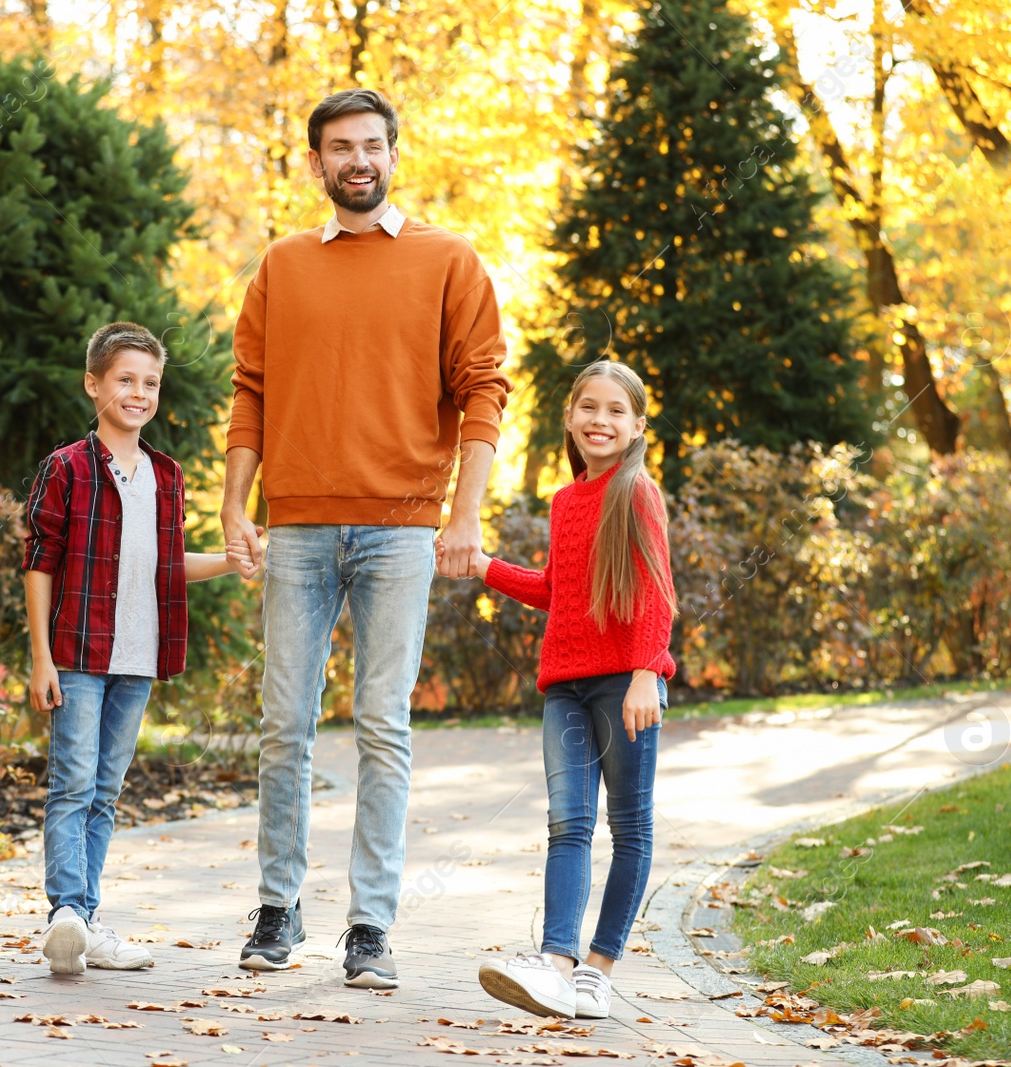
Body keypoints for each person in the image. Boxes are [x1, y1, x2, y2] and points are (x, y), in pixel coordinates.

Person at [221, 87, 512, 989]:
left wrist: (463, 515)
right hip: (298, 527)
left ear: (395, 154)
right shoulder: (281, 263)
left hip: (402, 533)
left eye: (372, 145)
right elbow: (250, 390)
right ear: (317, 163)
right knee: (283, 729)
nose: (357, 159)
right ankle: (278, 905)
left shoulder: (449, 260)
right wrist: (235, 505)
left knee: (384, 727)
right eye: (340, 147)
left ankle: (370, 926)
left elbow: (484, 389)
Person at [22, 321, 252, 975]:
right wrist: (41, 655)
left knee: (106, 793)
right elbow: (40, 563)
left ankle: (84, 924)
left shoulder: (166, 475)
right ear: (93, 384)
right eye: (125, 379)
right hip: (76, 650)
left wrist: (233, 562)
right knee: (72, 784)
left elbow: (167, 562)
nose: (139, 392)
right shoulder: (66, 467)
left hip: (140, 657)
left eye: (150, 382)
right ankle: (66, 911)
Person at [464, 360, 677, 1019]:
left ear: (638, 426)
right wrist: (484, 567)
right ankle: (557, 963)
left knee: (630, 826)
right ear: (569, 417)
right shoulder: (565, 500)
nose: (600, 420)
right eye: (589, 406)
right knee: (567, 822)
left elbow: (656, 590)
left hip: (626, 684)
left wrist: (646, 670)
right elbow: (556, 591)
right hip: (566, 687)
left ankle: (599, 966)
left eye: (616, 410)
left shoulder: (637, 491)